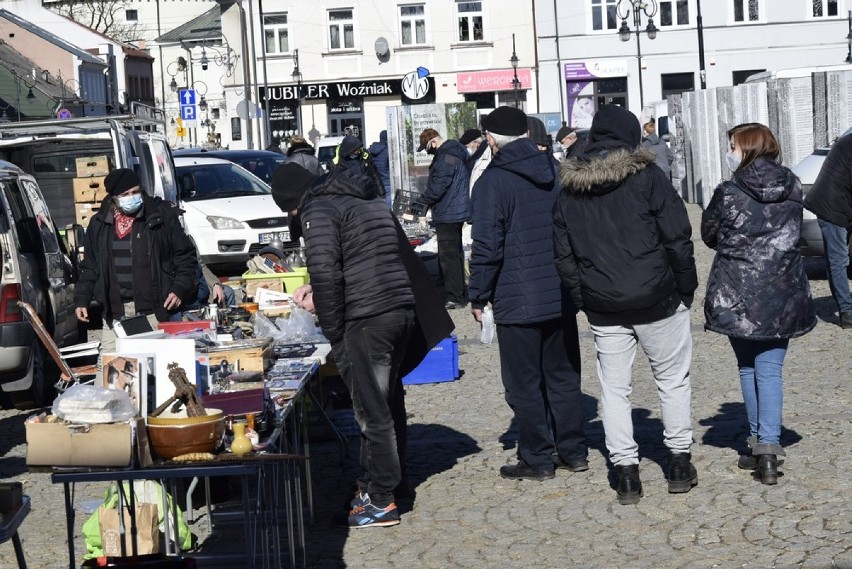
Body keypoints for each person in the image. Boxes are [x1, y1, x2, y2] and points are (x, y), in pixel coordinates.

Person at [553, 104, 698, 505]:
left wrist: (583, 299)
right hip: (657, 297)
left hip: (604, 305)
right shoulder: (648, 176)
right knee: (672, 380)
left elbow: (563, 254)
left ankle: (627, 472)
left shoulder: (571, 186)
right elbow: (678, 236)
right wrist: (685, 287)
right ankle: (679, 461)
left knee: (614, 390)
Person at [279, 163, 417, 528]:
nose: (295, 217)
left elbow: (326, 271)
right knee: (386, 402)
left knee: (372, 410)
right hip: (398, 308)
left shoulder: (318, 208)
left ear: (296, 202)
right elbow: (362, 259)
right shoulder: (364, 197)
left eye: (290, 211)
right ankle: (386, 484)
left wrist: (331, 324)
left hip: (367, 316)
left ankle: (382, 499)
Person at [468, 106, 587, 481]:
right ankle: (573, 451)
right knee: (563, 376)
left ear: (491, 139)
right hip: (559, 291)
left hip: (516, 296)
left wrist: (477, 295)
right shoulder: (554, 170)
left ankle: (537, 457)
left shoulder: (493, 181)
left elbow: (487, 245)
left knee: (523, 383)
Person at [702, 123, 816, 485]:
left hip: (738, 290)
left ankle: (758, 444)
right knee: (769, 370)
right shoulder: (794, 185)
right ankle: (766, 445)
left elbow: (709, 234)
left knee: (748, 368)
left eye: (733, 146)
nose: (730, 151)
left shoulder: (730, 190)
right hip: (783, 289)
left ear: (746, 149)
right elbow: (795, 232)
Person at [74, 168, 198, 358]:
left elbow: (185, 257)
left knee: (158, 371)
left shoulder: (160, 216)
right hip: (115, 314)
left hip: (156, 311)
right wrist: (82, 299)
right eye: (125, 194)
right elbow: (90, 266)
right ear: (114, 198)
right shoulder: (99, 223)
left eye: (135, 192)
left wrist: (179, 288)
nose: (132, 197)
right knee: (111, 373)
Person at [414, 127, 471, 309]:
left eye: (427, 148)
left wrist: (418, 204)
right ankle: (457, 292)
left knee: (449, 257)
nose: (428, 152)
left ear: (432, 142)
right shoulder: (453, 153)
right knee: (454, 254)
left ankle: (455, 296)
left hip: (448, 212)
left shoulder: (446, 157)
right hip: (453, 211)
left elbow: (437, 189)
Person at [803, 133, 852, 328]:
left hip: (842, 202)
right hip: (832, 206)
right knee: (838, 258)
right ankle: (847, 311)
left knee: (838, 258)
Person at [369, 130, 393, 209]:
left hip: (374, 182)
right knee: (388, 207)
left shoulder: (370, 150)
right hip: (387, 181)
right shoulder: (388, 151)